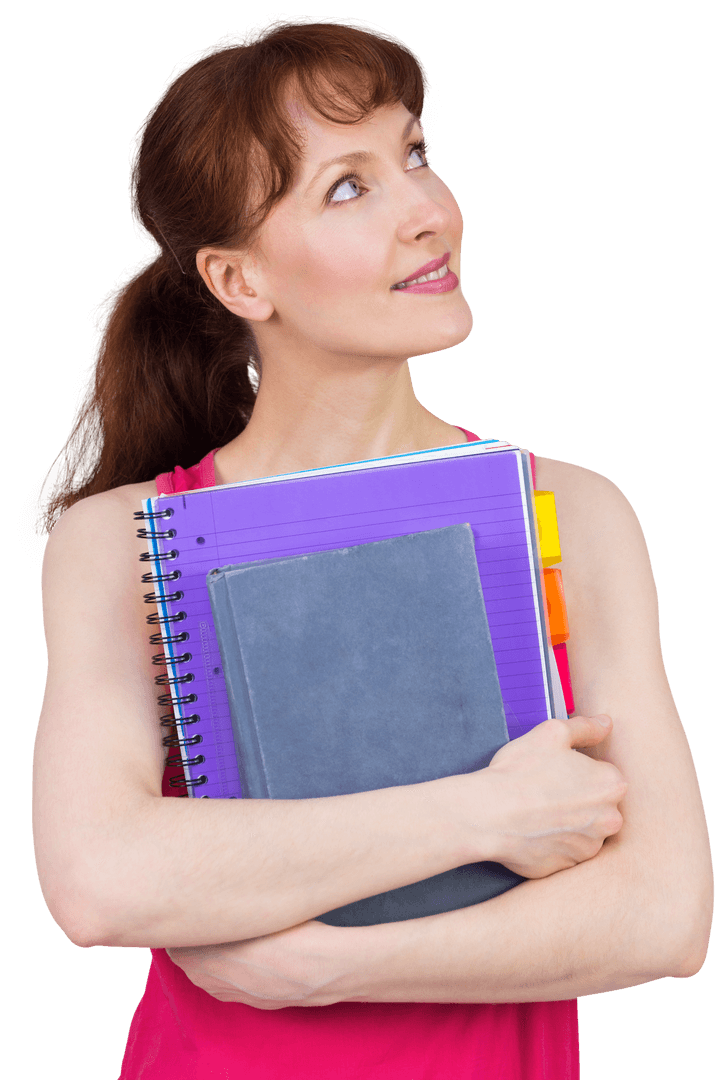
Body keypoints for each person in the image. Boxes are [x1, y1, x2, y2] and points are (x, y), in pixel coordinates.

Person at [31, 15, 712, 1079]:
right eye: (348, 188)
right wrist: (488, 813)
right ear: (239, 283)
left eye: (414, 156)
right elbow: (100, 882)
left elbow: (662, 916)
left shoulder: (572, 512)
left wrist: (324, 966)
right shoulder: (121, 542)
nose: (427, 215)